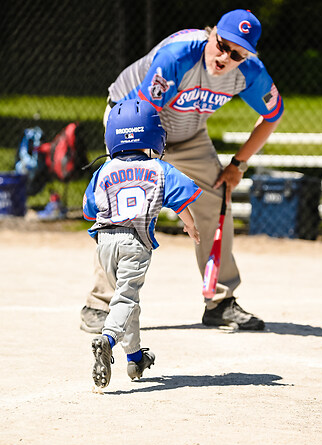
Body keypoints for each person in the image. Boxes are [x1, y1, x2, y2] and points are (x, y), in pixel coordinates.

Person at [81, 8, 284, 334]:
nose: (226, 56)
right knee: (126, 203)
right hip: (132, 123)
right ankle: (99, 304)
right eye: (222, 45)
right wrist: (147, 170)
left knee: (216, 197)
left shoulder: (248, 72)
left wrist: (237, 164)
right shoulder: (179, 55)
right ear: (212, 33)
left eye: (237, 53)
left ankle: (220, 301)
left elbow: (274, 113)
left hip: (187, 132)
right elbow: (144, 111)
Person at [83, 98, 201, 388]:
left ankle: (135, 358)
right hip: (134, 243)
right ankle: (107, 339)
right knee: (126, 298)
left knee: (127, 299)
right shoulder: (159, 169)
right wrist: (190, 225)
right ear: (155, 136)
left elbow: (89, 209)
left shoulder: (103, 171)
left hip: (104, 243)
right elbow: (180, 199)